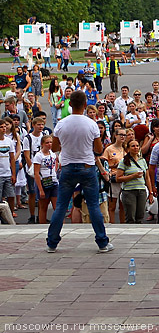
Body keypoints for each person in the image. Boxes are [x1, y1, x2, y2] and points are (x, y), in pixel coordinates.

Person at [46, 90, 113, 253]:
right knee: (93, 205)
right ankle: (102, 242)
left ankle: (52, 242)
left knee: (61, 206)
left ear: (70, 104)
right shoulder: (91, 123)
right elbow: (98, 149)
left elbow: (54, 148)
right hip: (87, 167)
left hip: (68, 166)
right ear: (84, 105)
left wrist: (68, 146)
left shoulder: (61, 123)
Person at [115, 139, 154, 224]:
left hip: (141, 190)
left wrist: (150, 192)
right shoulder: (124, 161)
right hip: (129, 191)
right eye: (133, 146)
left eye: (137, 146)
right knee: (130, 217)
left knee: (140, 216)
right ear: (128, 148)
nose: (135, 148)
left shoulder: (142, 161)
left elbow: (147, 178)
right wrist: (133, 176)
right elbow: (118, 178)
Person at [32, 134, 59, 224]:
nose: (49, 144)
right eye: (47, 143)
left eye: (51, 142)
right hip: (43, 182)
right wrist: (40, 190)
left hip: (54, 182)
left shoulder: (53, 154)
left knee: (57, 206)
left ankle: (60, 224)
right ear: (42, 144)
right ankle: (42, 224)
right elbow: (36, 173)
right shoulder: (38, 156)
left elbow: (56, 163)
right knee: (43, 207)